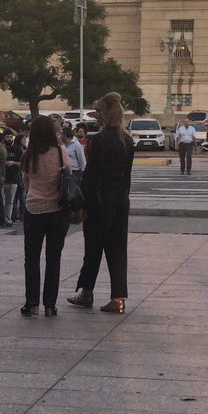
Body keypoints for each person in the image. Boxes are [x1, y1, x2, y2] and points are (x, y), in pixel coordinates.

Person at [68, 93, 135, 314]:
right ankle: (118, 298)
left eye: (98, 111)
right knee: (117, 250)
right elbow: (127, 177)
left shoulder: (99, 140)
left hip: (99, 203)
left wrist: (82, 206)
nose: (96, 115)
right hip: (120, 203)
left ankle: (87, 293)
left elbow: (91, 176)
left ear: (104, 113)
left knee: (93, 249)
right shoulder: (127, 140)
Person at [20, 114, 70, 316]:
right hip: (57, 210)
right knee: (53, 258)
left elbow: (26, 181)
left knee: (31, 258)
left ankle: (32, 303)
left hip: (34, 209)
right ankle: (50, 305)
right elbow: (69, 173)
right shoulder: (60, 152)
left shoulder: (29, 155)